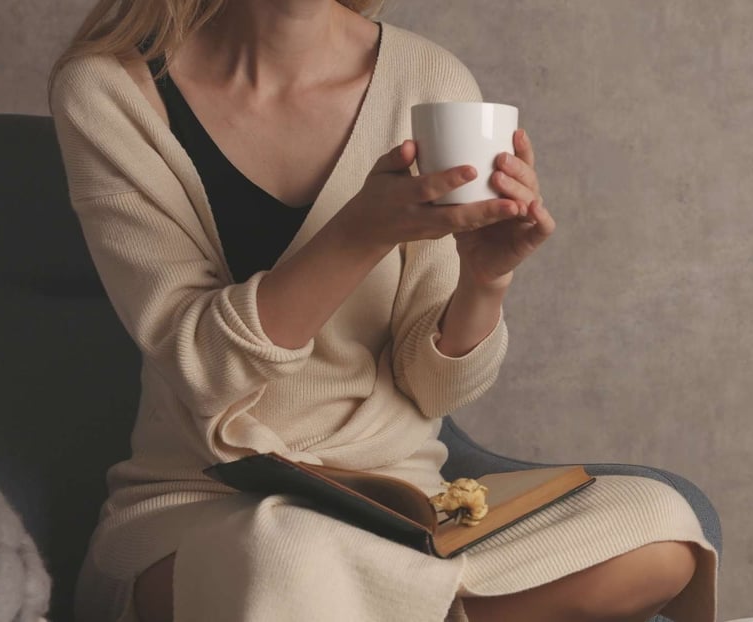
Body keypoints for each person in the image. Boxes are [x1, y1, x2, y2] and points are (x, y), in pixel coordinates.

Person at [49, 0, 717, 620]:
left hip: (403, 509)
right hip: (210, 506)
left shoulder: (428, 78)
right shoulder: (109, 87)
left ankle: (395, 602)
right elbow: (202, 367)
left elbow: (433, 389)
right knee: (288, 557)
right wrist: (360, 232)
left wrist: (484, 281)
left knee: (660, 524)